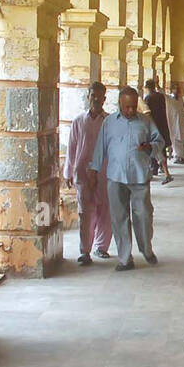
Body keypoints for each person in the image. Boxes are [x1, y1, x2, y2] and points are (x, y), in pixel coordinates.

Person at [88, 86, 161, 270]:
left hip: (139, 176)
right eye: (127, 106)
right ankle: (125, 258)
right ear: (119, 103)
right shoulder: (109, 122)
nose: (130, 110)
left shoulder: (145, 121)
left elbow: (159, 141)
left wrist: (150, 147)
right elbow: (100, 148)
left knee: (143, 215)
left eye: (133, 106)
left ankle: (146, 249)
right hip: (116, 176)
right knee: (119, 217)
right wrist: (94, 171)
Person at [64, 82, 112, 265]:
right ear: (88, 96)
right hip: (82, 172)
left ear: (105, 99)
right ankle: (85, 251)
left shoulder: (109, 122)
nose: (97, 99)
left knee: (105, 211)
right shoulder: (79, 121)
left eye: (100, 96)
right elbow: (72, 148)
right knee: (85, 212)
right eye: (93, 95)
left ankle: (101, 247)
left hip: (104, 172)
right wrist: (68, 171)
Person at [142, 79, 174, 184]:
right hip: (162, 123)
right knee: (161, 147)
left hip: (153, 125)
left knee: (153, 149)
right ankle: (163, 170)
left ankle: (155, 169)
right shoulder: (160, 96)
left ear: (147, 88)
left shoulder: (148, 98)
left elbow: (147, 113)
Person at [166, 80, 184, 165]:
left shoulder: (180, 100)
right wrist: (157, 85)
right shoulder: (169, 98)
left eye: (177, 90)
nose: (175, 91)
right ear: (171, 90)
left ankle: (181, 157)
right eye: (174, 89)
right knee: (175, 141)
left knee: (179, 141)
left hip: (180, 123)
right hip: (173, 124)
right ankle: (179, 157)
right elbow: (162, 94)